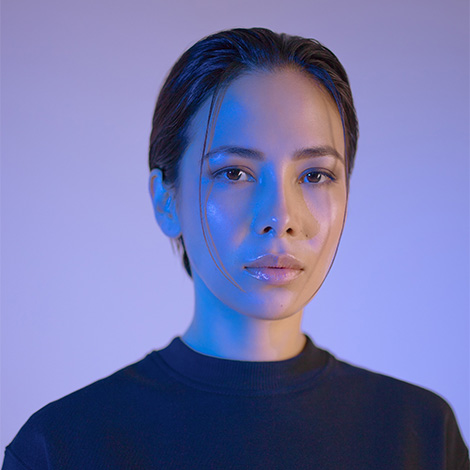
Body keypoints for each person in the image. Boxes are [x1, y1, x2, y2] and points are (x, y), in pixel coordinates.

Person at [2, 27, 468, 470]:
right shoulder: (61, 447)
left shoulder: (421, 434)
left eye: (315, 175)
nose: (281, 217)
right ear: (166, 200)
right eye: (234, 173)